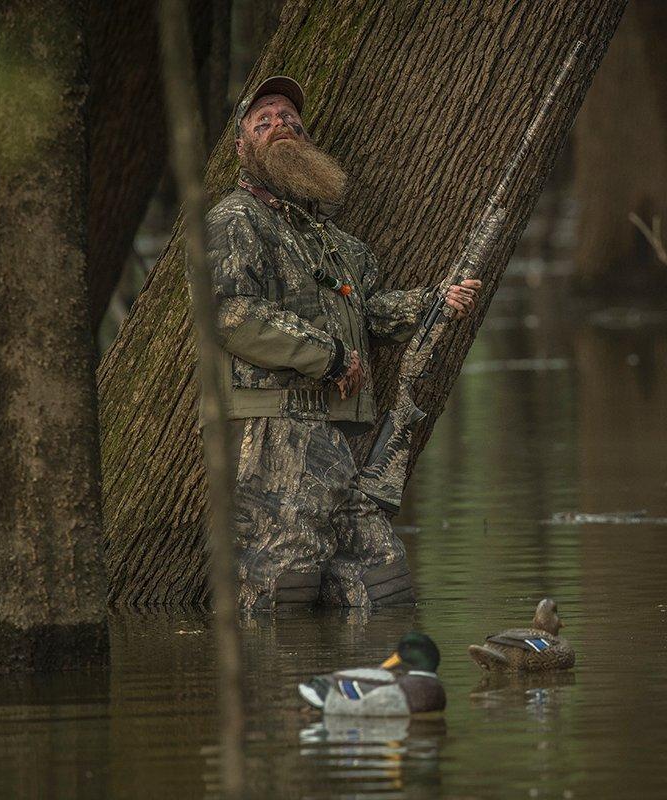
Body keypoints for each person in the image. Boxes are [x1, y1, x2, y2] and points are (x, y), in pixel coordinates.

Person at [203, 75, 481, 610]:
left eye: (289, 120)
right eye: (263, 122)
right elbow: (229, 313)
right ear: (242, 147)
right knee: (282, 581)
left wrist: (434, 303)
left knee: (383, 581)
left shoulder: (333, 240)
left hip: (335, 437)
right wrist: (327, 356)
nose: (279, 124)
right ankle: (275, 688)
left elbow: (371, 312)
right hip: (273, 430)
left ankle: (359, 686)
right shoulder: (235, 219)